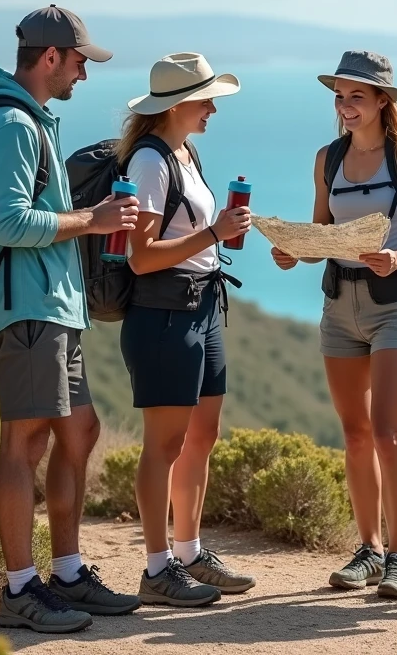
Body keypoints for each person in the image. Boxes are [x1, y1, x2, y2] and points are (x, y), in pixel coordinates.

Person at [0, 5, 143, 634]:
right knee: (25, 443)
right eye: (78, 62)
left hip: (52, 308)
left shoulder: (33, 120)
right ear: (49, 59)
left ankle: (67, 573)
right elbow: (7, 223)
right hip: (27, 309)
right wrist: (91, 221)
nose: (83, 75)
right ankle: (19, 590)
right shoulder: (12, 124)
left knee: (79, 433)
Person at [271, 51, 397, 600]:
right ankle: (368, 550)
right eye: (340, 96)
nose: (346, 106)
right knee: (354, 435)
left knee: (387, 433)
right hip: (339, 305)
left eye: (357, 96)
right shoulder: (327, 159)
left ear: (382, 101)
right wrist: (294, 252)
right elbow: (325, 231)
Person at [119, 53, 257, 607]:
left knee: (201, 437)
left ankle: (190, 551)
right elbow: (141, 259)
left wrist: (217, 230)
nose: (212, 110)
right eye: (207, 101)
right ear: (178, 105)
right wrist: (214, 233)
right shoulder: (151, 163)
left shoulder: (183, 151)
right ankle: (157, 569)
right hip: (165, 315)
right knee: (165, 444)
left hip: (201, 309)